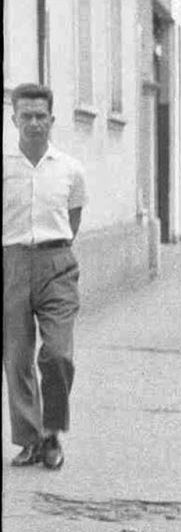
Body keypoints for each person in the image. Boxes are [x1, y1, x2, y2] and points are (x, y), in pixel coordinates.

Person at [3, 84, 84, 470]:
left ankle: (52, 432)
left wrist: (53, 255)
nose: (34, 123)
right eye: (26, 115)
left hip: (57, 264)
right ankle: (30, 439)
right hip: (12, 264)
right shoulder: (4, 167)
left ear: (52, 120)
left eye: (41, 116)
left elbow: (73, 220)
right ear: (13, 118)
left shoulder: (70, 169)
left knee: (57, 355)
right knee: (17, 357)